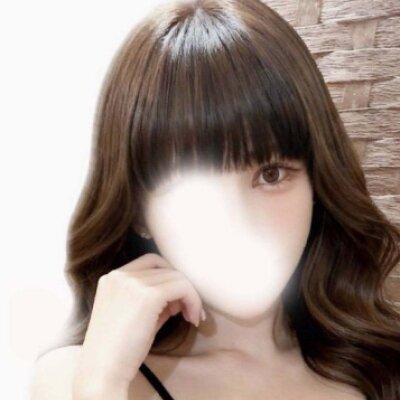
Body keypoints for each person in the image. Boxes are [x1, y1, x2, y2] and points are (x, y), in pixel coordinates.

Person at [30, 0, 400, 399]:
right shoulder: (77, 377)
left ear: (316, 184)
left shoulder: (379, 371)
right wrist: (102, 385)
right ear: (139, 212)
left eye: (271, 174)